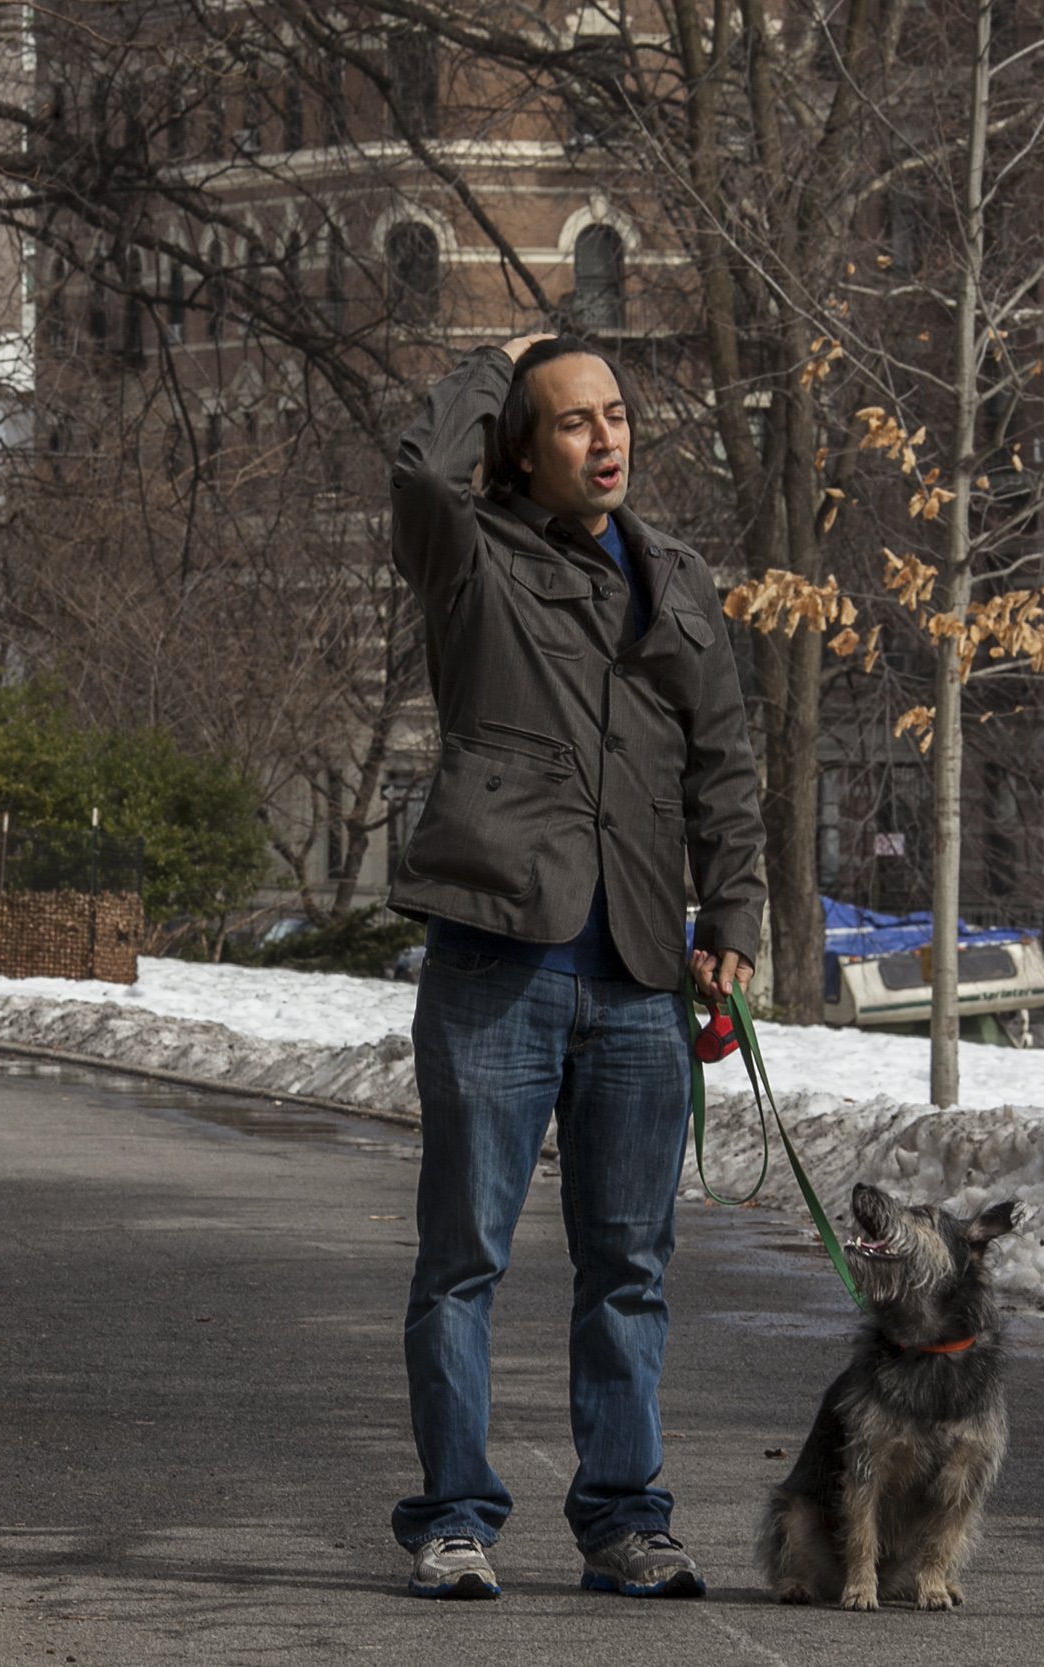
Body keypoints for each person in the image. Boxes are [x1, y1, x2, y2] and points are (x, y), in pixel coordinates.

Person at [382, 332, 767, 1601]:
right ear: (519, 445)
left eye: (614, 415)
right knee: (464, 1256)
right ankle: (453, 1514)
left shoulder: (679, 576)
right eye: (569, 422)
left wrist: (735, 922)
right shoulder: (470, 558)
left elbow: (723, 765)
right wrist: (493, 364)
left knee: (630, 1264)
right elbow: (423, 476)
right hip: (501, 952)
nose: (605, 440)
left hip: (643, 964)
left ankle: (624, 1517)